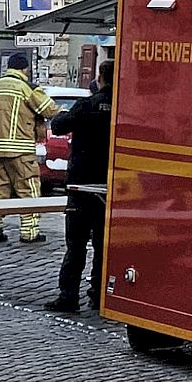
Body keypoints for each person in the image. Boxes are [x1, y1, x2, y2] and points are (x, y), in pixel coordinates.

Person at [48, 62, 113, 313]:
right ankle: (99, 294)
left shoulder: (87, 104)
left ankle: (68, 295)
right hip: (109, 184)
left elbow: (60, 125)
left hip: (81, 184)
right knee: (101, 243)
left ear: (100, 78)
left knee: (76, 243)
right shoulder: (122, 106)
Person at [0, 53, 61, 244]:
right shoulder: (27, 88)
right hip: (20, 148)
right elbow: (49, 110)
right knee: (29, 189)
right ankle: (29, 232)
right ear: (25, 69)